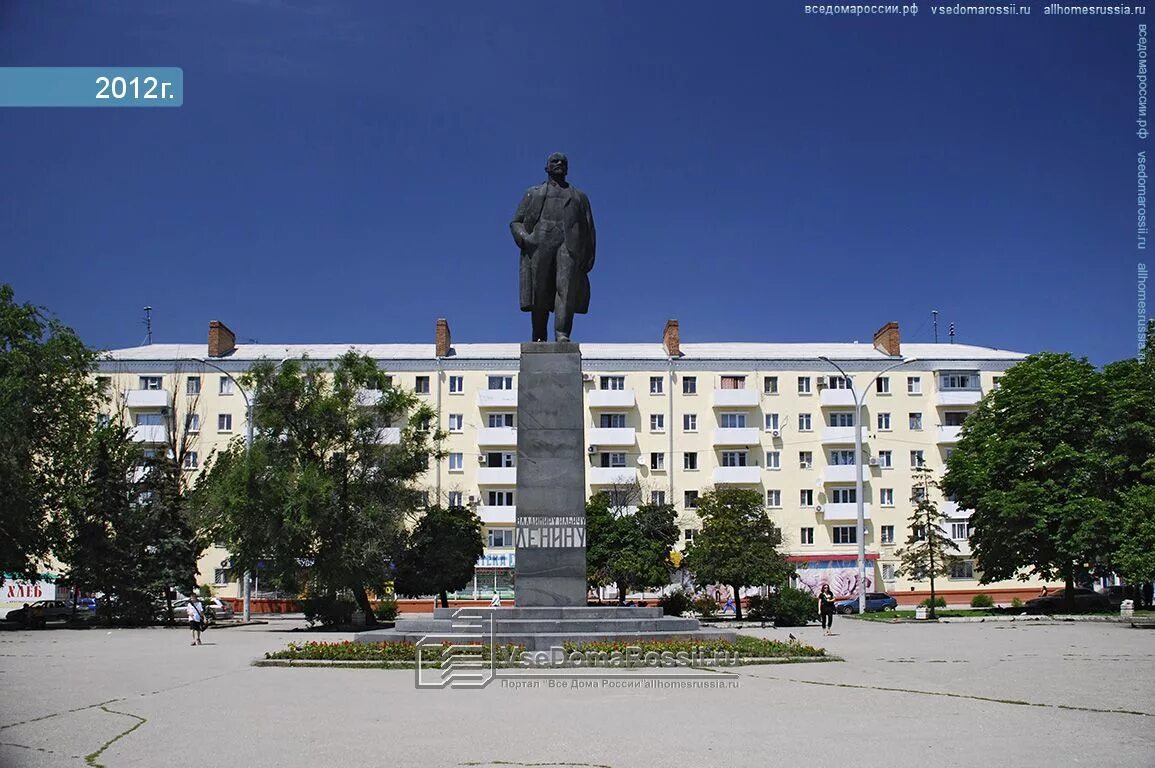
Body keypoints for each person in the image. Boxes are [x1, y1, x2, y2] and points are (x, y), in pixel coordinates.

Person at [510, 152, 597, 343]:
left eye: (563, 162)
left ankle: (562, 334)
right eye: (554, 161)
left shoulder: (579, 197)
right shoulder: (533, 192)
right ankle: (539, 334)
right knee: (539, 291)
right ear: (546, 167)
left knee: (565, 290)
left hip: (568, 245)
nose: (559, 164)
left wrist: (588, 257)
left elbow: (589, 228)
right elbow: (516, 222)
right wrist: (527, 239)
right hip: (540, 242)